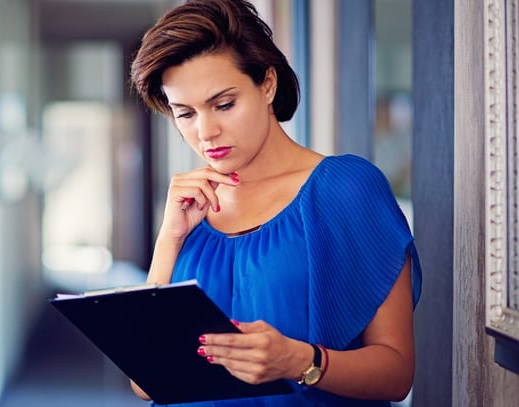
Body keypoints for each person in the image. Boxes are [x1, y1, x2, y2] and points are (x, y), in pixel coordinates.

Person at [128, 0, 422, 406]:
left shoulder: (344, 190)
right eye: (185, 114)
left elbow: (396, 375)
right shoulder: (188, 210)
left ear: (267, 84)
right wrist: (169, 238)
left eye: (224, 104)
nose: (206, 132)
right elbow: (144, 384)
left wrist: (300, 361)